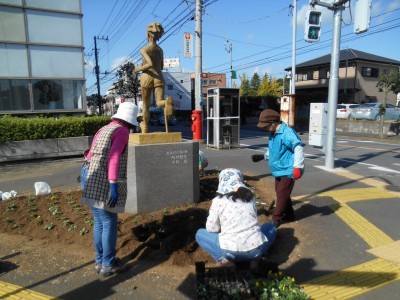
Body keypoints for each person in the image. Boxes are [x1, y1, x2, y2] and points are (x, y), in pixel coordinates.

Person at [81, 101, 139, 277]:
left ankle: (99, 261)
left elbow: (91, 153)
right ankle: (108, 264)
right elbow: (113, 158)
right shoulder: (121, 132)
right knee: (109, 222)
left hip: (88, 173)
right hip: (104, 178)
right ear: (130, 121)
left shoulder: (105, 128)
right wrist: (113, 184)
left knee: (99, 221)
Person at [195, 168, 277, 266]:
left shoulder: (218, 201)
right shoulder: (250, 197)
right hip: (256, 249)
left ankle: (223, 260)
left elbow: (211, 228)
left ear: (222, 181)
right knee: (271, 227)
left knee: (199, 234)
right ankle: (257, 258)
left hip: (230, 252)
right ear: (239, 179)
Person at [252, 109, 305, 228]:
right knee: (282, 193)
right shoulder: (273, 133)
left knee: (281, 193)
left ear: (273, 122)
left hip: (288, 169)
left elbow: (298, 148)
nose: (264, 129)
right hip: (278, 169)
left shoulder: (287, 133)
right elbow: (274, 150)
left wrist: (297, 167)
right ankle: (290, 215)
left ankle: (276, 220)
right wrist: (262, 156)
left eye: (266, 126)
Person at [133, 22, 173, 134]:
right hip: (159, 76)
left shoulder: (144, 49)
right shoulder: (160, 50)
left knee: (146, 105)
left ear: (149, 34)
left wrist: (138, 69)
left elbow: (149, 64)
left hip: (147, 77)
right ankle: (165, 103)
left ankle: (145, 127)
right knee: (159, 101)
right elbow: (161, 66)